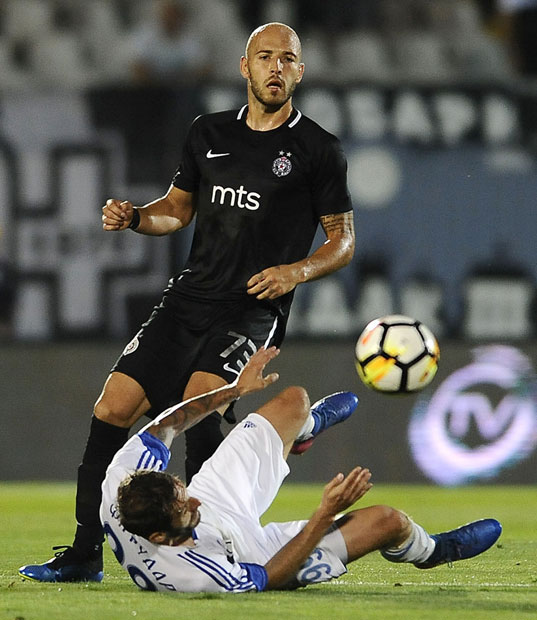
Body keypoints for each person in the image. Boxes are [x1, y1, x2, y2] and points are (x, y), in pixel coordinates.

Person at [19, 22, 355, 583]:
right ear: (244, 67)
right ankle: (83, 553)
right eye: (264, 57)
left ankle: (215, 544)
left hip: (252, 306)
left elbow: (342, 241)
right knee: (112, 408)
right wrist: (135, 217)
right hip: (189, 297)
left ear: (300, 71)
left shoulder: (319, 149)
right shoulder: (208, 132)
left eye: (287, 59)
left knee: (203, 405)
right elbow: (176, 210)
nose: (275, 67)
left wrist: (295, 272)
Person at [92, 347, 500, 593]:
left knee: (294, 401)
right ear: (159, 537)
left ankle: (303, 429)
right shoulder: (190, 575)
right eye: (185, 507)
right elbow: (269, 577)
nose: (192, 498)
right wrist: (325, 513)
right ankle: (432, 551)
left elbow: (166, 425)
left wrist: (235, 391)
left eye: (182, 489)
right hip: (249, 555)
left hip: (218, 509)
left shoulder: (121, 483)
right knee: (389, 522)